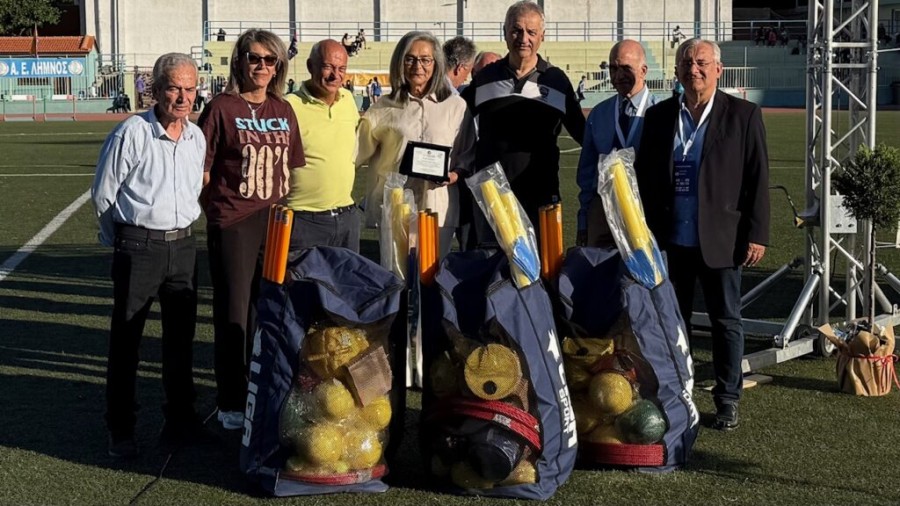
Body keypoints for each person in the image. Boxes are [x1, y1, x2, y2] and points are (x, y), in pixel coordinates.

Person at [635, 38, 769, 432]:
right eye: (686, 63)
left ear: (718, 70)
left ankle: (727, 398)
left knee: (725, 321)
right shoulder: (659, 117)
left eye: (701, 63)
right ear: (676, 70)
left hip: (721, 239)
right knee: (672, 323)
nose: (693, 69)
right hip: (670, 239)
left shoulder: (743, 115)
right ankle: (678, 392)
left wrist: (757, 233)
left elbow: (758, 178)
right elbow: (645, 179)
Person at [91, 52, 207, 458]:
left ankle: (180, 422)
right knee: (127, 342)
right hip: (139, 246)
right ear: (155, 91)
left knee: (180, 342)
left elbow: (192, 192)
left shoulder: (197, 137)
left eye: (190, 89)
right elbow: (104, 194)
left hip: (184, 246)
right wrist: (123, 241)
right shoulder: (131, 133)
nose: (183, 96)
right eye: (174, 87)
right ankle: (120, 429)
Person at [198, 29, 305, 431]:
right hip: (235, 221)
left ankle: (264, 391)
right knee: (233, 312)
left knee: (270, 310)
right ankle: (230, 399)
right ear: (240, 61)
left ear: (279, 66)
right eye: (254, 58)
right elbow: (203, 172)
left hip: (276, 222)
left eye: (270, 60)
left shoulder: (283, 108)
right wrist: (218, 214)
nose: (262, 66)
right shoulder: (221, 107)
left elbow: (291, 168)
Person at [461, 0, 585, 244]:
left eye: (531, 32)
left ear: (542, 36)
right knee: (491, 270)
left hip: (540, 194)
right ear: (505, 33)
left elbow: (583, 133)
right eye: (516, 30)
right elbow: (454, 120)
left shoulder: (556, 80)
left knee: (543, 271)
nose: (523, 38)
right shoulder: (486, 77)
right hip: (492, 194)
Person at [356, 30, 475, 258]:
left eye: (425, 59)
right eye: (409, 58)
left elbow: (467, 154)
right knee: (398, 280)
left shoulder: (456, 106)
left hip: (438, 208)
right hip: (395, 208)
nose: (417, 66)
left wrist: (454, 175)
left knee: (432, 278)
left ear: (436, 63)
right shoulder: (383, 107)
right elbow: (355, 153)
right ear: (400, 62)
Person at [576, 39, 658, 247]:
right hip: (603, 210)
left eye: (626, 68)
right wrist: (584, 221)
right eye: (613, 68)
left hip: (647, 211)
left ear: (643, 70)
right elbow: (586, 173)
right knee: (601, 273)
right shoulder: (599, 114)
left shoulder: (662, 113)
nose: (619, 75)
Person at [286, 40, 361, 251]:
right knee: (303, 284)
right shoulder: (289, 106)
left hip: (346, 217)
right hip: (303, 220)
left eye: (341, 69)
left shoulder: (347, 100)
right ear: (311, 66)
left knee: (346, 284)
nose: (335, 75)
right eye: (328, 67)